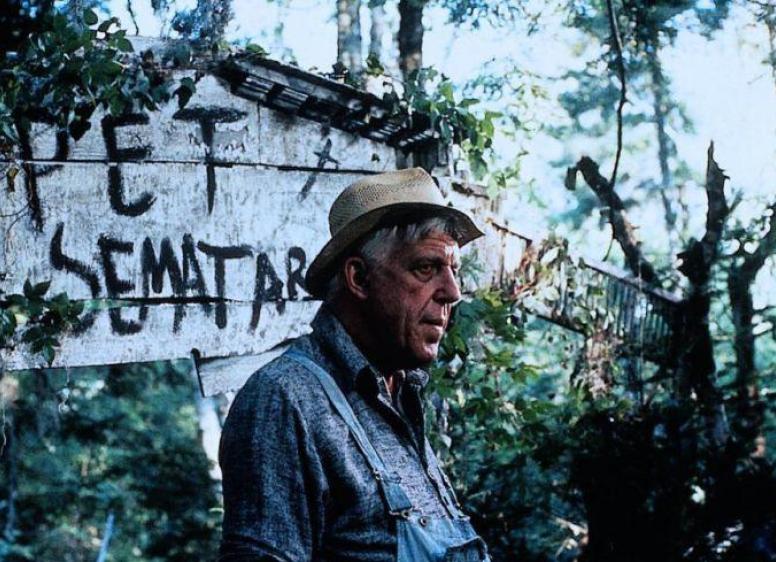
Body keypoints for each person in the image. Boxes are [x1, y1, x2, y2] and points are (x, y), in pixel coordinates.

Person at [218, 167, 491, 562]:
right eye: (426, 268)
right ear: (359, 278)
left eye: (454, 271)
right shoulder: (285, 400)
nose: (452, 292)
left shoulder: (399, 397)